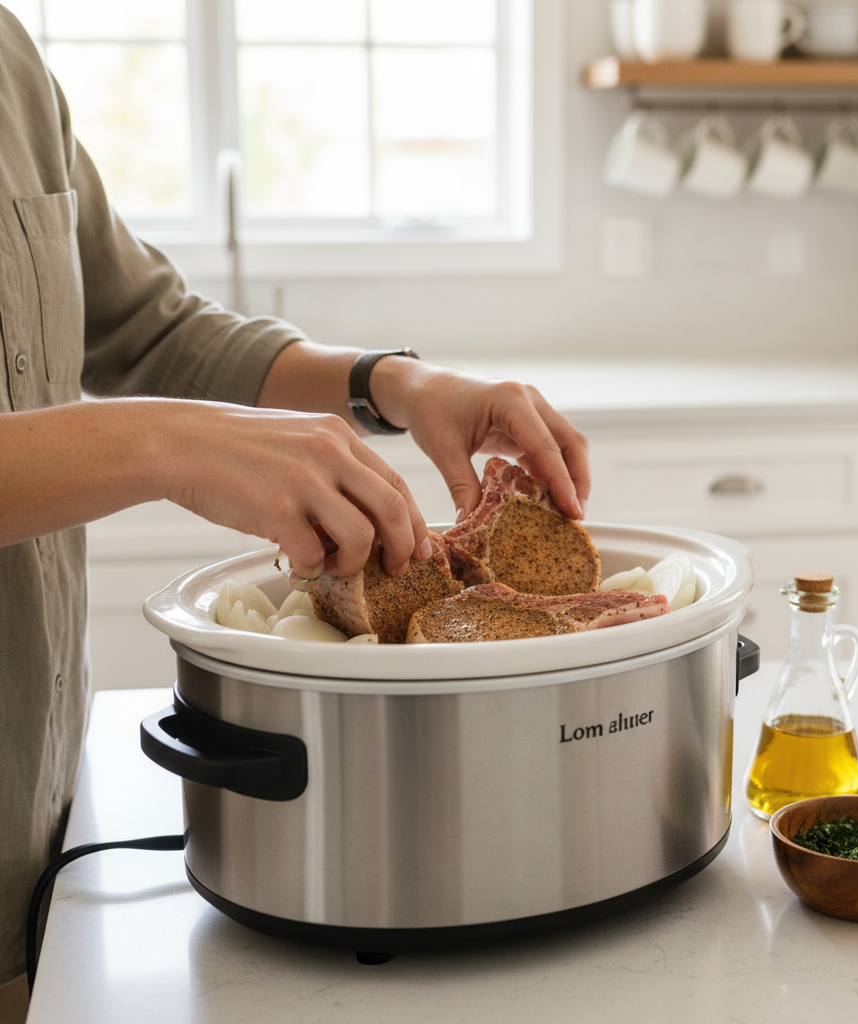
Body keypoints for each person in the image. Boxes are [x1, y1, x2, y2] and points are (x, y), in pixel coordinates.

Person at [0, 8, 589, 1016]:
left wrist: (397, 384)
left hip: (32, 837)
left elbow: (150, 328)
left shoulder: (8, 56)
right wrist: (167, 442)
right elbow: (159, 400)